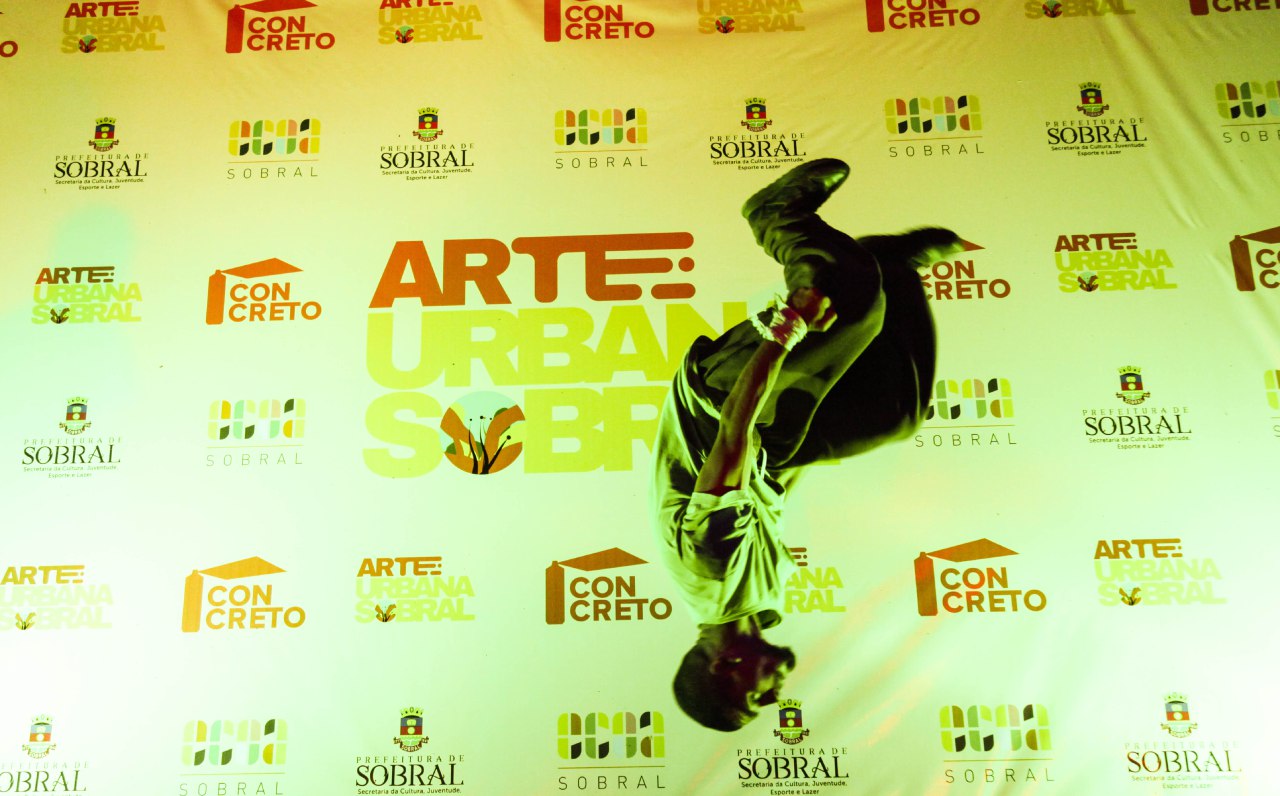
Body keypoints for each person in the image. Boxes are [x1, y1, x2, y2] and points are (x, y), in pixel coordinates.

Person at [651, 158, 967, 731]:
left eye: (756, 700)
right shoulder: (759, 602)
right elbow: (766, 495)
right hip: (771, 449)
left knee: (846, 295)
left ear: (725, 669)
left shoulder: (712, 570)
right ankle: (895, 263)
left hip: (722, 398)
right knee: (894, 414)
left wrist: (786, 329)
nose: (775, 698)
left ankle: (777, 216)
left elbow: (732, 437)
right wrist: (832, 432)